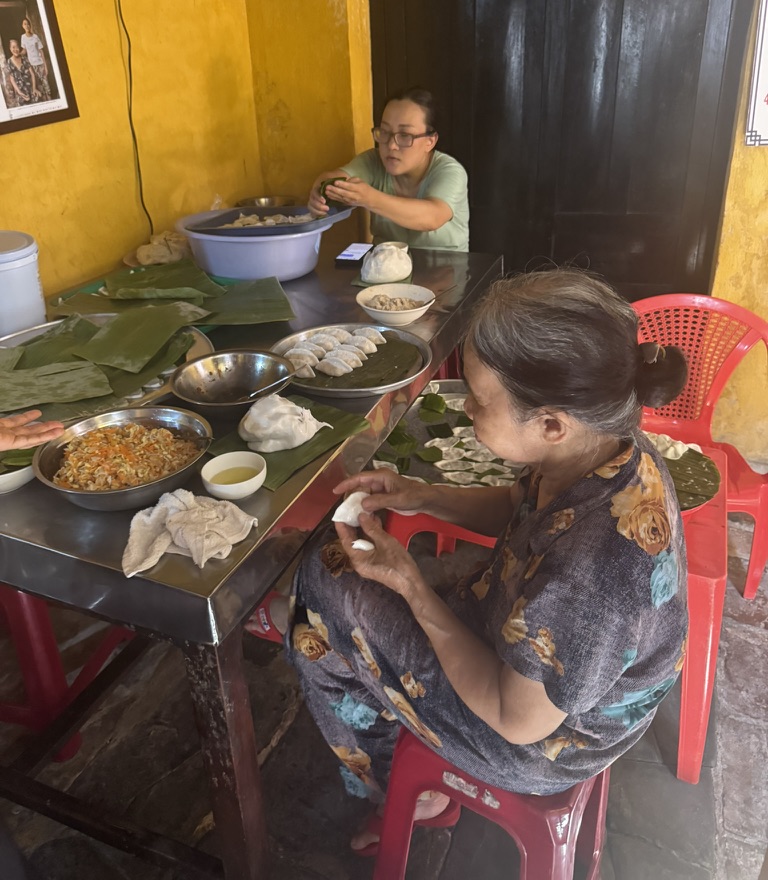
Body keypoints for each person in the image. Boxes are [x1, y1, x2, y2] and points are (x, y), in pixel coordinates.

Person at [256, 268, 690, 854]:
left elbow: (518, 720)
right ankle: (322, 635)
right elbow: (519, 506)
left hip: (535, 743)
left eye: (479, 401)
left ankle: (401, 792)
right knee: (331, 579)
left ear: (552, 424)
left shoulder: (595, 576)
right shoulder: (604, 449)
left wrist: (413, 588)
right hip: (527, 653)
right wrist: (420, 493)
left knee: (324, 597)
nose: (465, 410)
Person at [308, 87, 469, 251]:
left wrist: (369, 198)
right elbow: (335, 177)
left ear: (430, 141)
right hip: (384, 268)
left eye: (405, 135)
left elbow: (432, 218)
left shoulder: (449, 171)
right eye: (384, 132)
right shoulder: (373, 161)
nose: (391, 145)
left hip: (446, 269)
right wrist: (320, 189)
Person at [19, 18, 50, 101]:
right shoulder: (23, 37)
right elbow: (24, 50)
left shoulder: (35, 36)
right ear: (23, 26)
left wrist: (45, 66)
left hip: (40, 64)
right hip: (32, 66)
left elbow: (41, 51)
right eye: (25, 24)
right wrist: (18, 54)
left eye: (28, 23)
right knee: (40, 89)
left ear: (30, 25)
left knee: (47, 87)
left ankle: (50, 100)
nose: (27, 25)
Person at [6, 39, 41, 106]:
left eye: (17, 47)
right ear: (10, 49)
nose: (15, 49)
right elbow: (12, 79)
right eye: (13, 47)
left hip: (30, 88)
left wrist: (34, 88)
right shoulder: (9, 62)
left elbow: (32, 74)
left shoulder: (24, 58)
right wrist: (19, 92)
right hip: (20, 91)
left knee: (37, 101)